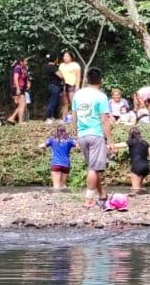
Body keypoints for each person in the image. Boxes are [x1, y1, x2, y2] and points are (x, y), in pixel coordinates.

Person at [73, 67, 113, 207]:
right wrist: (110, 140)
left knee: (92, 167)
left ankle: (102, 194)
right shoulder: (101, 96)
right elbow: (105, 120)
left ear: (86, 79)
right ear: (101, 80)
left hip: (82, 135)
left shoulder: (77, 94)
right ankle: (89, 199)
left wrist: (77, 135)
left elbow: (74, 117)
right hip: (96, 134)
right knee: (94, 169)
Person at [42, 125, 75, 192]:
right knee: (63, 185)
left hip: (56, 164)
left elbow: (42, 146)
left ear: (57, 131)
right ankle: (65, 196)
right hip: (66, 164)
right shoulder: (69, 140)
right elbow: (78, 145)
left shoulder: (52, 139)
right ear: (65, 131)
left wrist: (42, 147)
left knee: (56, 186)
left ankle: (56, 196)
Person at [127, 128, 150, 194]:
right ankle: (143, 195)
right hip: (146, 167)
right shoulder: (145, 143)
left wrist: (107, 146)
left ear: (130, 135)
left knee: (135, 188)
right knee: (139, 187)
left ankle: (137, 197)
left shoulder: (131, 142)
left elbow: (119, 145)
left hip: (137, 166)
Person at [7, 57, 30, 125]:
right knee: (22, 105)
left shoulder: (22, 68)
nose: (27, 62)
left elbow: (23, 78)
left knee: (22, 104)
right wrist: (17, 88)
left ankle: (12, 118)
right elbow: (15, 78)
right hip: (18, 88)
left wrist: (27, 83)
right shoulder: (17, 68)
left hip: (21, 88)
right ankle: (20, 121)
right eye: (25, 61)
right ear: (21, 62)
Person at [39, 55, 62, 122]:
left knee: (51, 101)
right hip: (55, 86)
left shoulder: (44, 66)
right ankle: (48, 117)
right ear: (55, 60)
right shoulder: (53, 67)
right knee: (53, 102)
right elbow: (61, 76)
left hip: (48, 85)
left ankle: (53, 117)